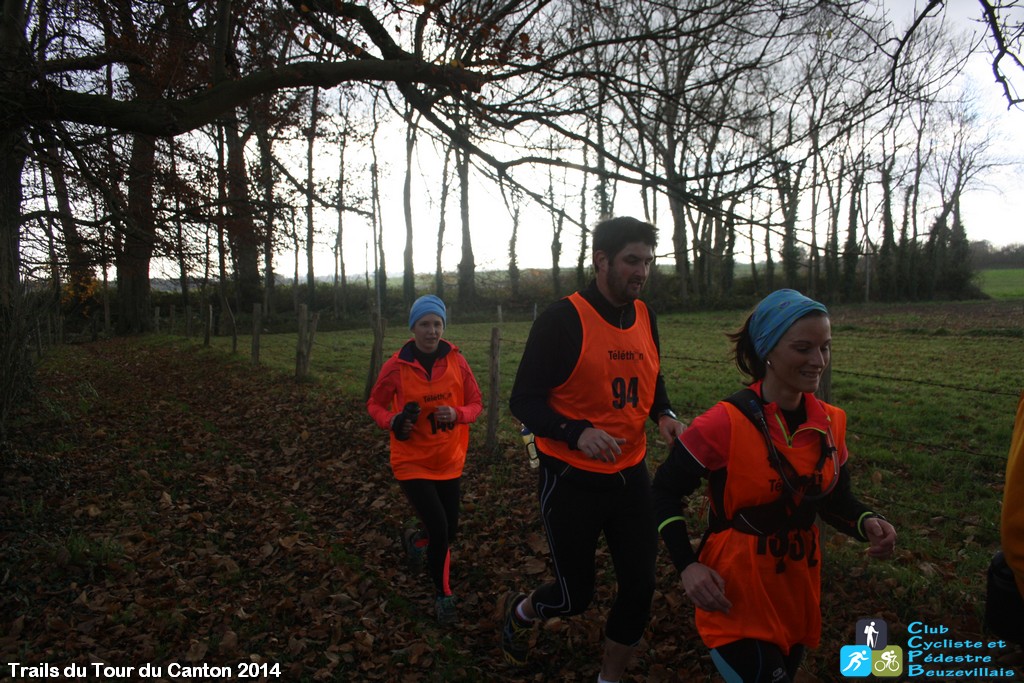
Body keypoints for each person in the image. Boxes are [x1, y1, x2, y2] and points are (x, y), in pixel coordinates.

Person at [652, 288, 897, 683]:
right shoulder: (722, 423)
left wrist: (866, 521)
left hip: (794, 597)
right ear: (767, 350)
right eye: (803, 348)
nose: (818, 361)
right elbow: (663, 492)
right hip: (734, 599)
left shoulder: (831, 422)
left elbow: (832, 499)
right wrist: (687, 566)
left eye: (825, 347)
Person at [502, 216, 686, 683]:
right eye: (631, 261)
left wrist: (663, 413)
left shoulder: (645, 315)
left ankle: (609, 678)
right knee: (574, 597)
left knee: (640, 587)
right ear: (601, 260)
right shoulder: (561, 320)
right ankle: (521, 612)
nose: (642, 272)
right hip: (571, 481)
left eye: (648, 261)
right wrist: (576, 431)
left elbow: (651, 374)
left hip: (630, 477)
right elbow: (523, 401)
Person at [367, 294, 483, 625]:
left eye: (437, 324)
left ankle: (416, 541)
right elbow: (375, 405)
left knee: (450, 530)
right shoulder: (396, 366)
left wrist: (457, 414)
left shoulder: (457, 361)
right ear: (413, 327)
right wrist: (393, 420)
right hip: (412, 462)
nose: (432, 331)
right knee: (440, 529)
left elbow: (476, 403)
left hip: (449, 459)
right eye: (425, 324)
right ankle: (443, 595)